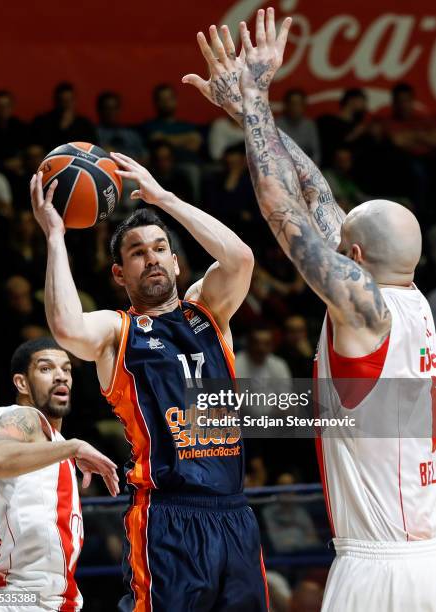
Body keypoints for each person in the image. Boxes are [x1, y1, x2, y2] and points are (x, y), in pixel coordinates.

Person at [190, 8, 436, 611]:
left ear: (351, 257)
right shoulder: (414, 307)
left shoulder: (366, 314)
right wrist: (254, 112)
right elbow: (317, 194)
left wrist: (252, 103)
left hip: (385, 570)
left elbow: (286, 213)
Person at [30, 148, 270, 611]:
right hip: (167, 517)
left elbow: (239, 258)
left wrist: (164, 199)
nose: (153, 259)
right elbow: (66, 327)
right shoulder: (118, 331)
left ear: (178, 263)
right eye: (138, 253)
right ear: (120, 274)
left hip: (235, 513)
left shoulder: (209, 313)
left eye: (161, 249)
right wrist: (56, 237)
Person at [0, 337, 119, 611]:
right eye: (46, 369)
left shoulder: (53, 443)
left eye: (66, 369)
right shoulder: (25, 418)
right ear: (22, 383)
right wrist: (73, 447)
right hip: (17, 597)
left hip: (53, 599)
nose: (60, 376)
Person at [32, 82, 97, 153]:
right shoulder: (43, 122)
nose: (66, 105)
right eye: (62, 101)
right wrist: (62, 128)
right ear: (56, 101)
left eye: (69, 101)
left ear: (74, 101)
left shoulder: (84, 125)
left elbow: (92, 148)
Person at [276, 89, 320, 166]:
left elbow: (316, 154)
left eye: (299, 104)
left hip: (305, 169)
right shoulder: (277, 124)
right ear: (286, 105)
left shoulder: (309, 125)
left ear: (304, 106)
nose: (295, 107)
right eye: (292, 104)